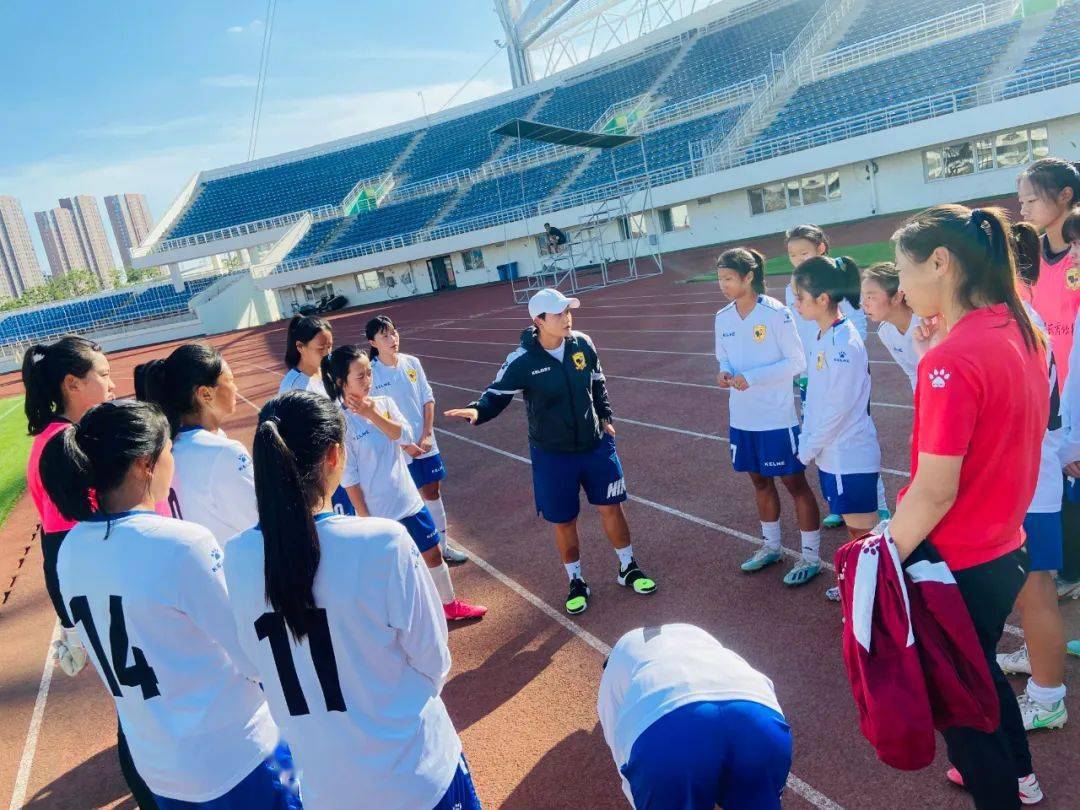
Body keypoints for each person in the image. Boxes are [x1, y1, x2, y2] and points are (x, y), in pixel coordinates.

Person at [223, 391, 481, 810]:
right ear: (334, 456)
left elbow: (253, 665)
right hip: (414, 774)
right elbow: (434, 662)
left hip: (329, 790)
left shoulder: (236, 555)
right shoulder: (382, 542)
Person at [39, 400, 292, 809]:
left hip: (158, 764)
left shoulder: (70, 551)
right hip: (236, 756)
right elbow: (251, 653)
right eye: (169, 451)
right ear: (145, 463)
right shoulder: (181, 543)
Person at [889, 204, 1046, 806]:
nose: (900, 287)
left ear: (940, 261)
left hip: (955, 561)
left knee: (959, 705)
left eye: (904, 270)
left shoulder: (951, 361)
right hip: (1005, 546)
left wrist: (881, 557)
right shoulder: (1016, 328)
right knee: (978, 670)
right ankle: (1023, 776)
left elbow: (935, 490)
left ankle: (1001, 791)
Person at [445, 287, 657, 616]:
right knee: (564, 521)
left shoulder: (583, 343)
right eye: (559, 314)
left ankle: (628, 567)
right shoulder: (522, 360)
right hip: (553, 456)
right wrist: (477, 412)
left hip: (595, 445)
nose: (567, 317)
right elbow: (495, 394)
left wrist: (606, 416)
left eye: (568, 311)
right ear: (539, 321)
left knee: (612, 508)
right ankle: (576, 581)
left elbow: (597, 382)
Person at [20, 337, 162, 809]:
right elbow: (64, 538)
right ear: (73, 383)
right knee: (134, 696)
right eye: (102, 374)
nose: (112, 381)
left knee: (136, 692)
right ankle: (149, 791)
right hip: (100, 590)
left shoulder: (64, 437)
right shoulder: (61, 445)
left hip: (99, 585)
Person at [322, 346, 486, 621]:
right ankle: (400, 619)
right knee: (394, 571)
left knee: (433, 554)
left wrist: (372, 414)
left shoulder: (384, 403)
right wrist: (366, 519)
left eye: (369, 373)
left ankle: (449, 605)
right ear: (341, 382)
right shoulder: (339, 422)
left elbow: (405, 436)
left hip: (407, 499)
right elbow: (349, 478)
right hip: (378, 511)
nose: (368, 380)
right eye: (360, 376)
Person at [992, 222, 1068, 732]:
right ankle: (1040, 675)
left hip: (1029, 477)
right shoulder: (1014, 318)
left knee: (1035, 588)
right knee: (1027, 588)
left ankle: (1048, 697)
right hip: (1025, 473)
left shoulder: (1015, 324)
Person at [713, 248, 822, 585]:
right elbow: (725, 359)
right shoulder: (722, 317)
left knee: (794, 484)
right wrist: (725, 372)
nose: (723, 285)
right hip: (742, 419)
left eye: (729, 279)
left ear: (748, 277)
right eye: (720, 279)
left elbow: (797, 362)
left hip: (776, 419)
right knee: (759, 481)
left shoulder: (777, 314)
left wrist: (754, 377)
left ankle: (811, 556)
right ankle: (771, 546)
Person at [597, 624, 791, 810]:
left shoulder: (611, 675)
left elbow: (624, 760)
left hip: (667, 735)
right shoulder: (697, 636)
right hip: (759, 715)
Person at [784, 225, 881, 526]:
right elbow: (816, 401)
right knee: (858, 541)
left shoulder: (842, 343)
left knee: (863, 541)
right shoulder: (824, 337)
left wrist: (806, 450)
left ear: (823, 299)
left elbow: (837, 408)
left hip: (847, 456)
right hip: (833, 455)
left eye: (801, 299)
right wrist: (809, 442)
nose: (795, 306)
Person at [366, 314, 469, 564]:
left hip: (424, 444)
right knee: (406, 500)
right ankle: (414, 554)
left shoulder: (412, 363)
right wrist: (405, 444)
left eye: (394, 332)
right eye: (385, 335)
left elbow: (427, 399)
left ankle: (442, 546)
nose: (393, 338)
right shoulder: (372, 374)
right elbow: (373, 415)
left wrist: (426, 435)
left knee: (433, 491)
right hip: (397, 450)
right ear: (372, 343)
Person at [136, 344, 257, 544]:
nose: (235, 387)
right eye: (230, 380)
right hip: (234, 567)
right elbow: (259, 522)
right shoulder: (224, 452)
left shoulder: (166, 447)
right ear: (205, 394)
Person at [1017, 158, 1080, 387]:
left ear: (1065, 195)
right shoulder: (1026, 256)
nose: (1023, 210)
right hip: (1047, 390)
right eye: (1021, 202)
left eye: (1032, 200)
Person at [860, 262, 921, 393]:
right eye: (863, 297)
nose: (863, 304)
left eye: (870, 297)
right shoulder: (885, 332)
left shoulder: (927, 322)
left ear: (897, 297)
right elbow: (913, 373)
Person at [279, 314, 333, 397]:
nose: (327, 353)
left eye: (329, 346)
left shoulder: (331, 372)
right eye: (320, 348)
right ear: (300, 347)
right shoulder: (292, 388)